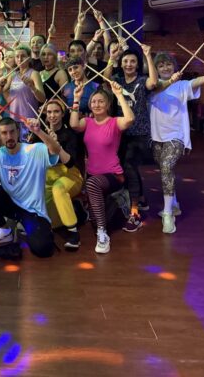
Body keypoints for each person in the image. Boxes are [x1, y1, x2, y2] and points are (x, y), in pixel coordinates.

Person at [0, 117, 61, 258]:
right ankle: (3, 230)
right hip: (11, 205)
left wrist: (38, 131)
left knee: (43, 250)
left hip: (33, 210)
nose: (9, 136)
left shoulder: (34, 150)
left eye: (12, 132)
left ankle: (26, 225)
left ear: (18, 132)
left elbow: (56, 150)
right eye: (4, 133)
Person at [150, 53, 204, 234]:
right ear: (156, 69)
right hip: (156, 137)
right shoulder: (153, 86)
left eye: (168, 64)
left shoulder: (180, 86)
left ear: (174, 67)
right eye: (161, 65)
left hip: (176, 136)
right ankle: (173, 203)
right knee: (165, 170)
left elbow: (194, 82)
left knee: (166, 167)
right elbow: (152, 92)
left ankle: (167, 213)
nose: (165, 68)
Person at [70, 83, 134, 253]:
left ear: (107, 105)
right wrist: (76, 99)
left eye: (101, 101)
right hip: (93, 175)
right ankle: (116, 205)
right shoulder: (87, 122)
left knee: (92, 185)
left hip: (114, 174)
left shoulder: (114, 122)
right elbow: (73, 124)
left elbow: (129, 119)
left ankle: (102, 234)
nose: (97, 104)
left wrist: (119, 95)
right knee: (94, 214)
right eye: (94, 102)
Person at [105, 45, 158, 232]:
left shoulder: (142, 81)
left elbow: (154, 82)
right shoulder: (118, 81)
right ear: (121, 63)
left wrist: (148, 56)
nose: (129, 64)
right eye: (126, 61)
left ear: (137, 64)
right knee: (128, 169)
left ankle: (134, 212)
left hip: (140, 134)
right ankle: (140, 199)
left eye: (133, 61)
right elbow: (105, 78)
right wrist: (112, 57)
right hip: (121, 134)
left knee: (129, 166)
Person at [42, 99, 84, 250]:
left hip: (70, 175)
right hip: (49, 176)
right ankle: (78, 211)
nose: (52, 115)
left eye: (56, 111)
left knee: (58, 189)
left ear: (62, 113)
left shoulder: (70, 134)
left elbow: (70, 163)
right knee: (52, 223)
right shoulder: (40, 133)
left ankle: (73, 233)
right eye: (49, 112)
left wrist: (57, 146)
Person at [0, 45, 45, 141]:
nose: (20, 59)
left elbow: (42, 98)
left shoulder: (34, 74)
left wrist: (32, 86)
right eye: (17, 56)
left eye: (23, 56)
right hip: (14, 120)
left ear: (29, 58)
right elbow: (0, 91)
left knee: (28, 148)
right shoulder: (13, 75)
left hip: (29, 120)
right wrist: (1, 84)